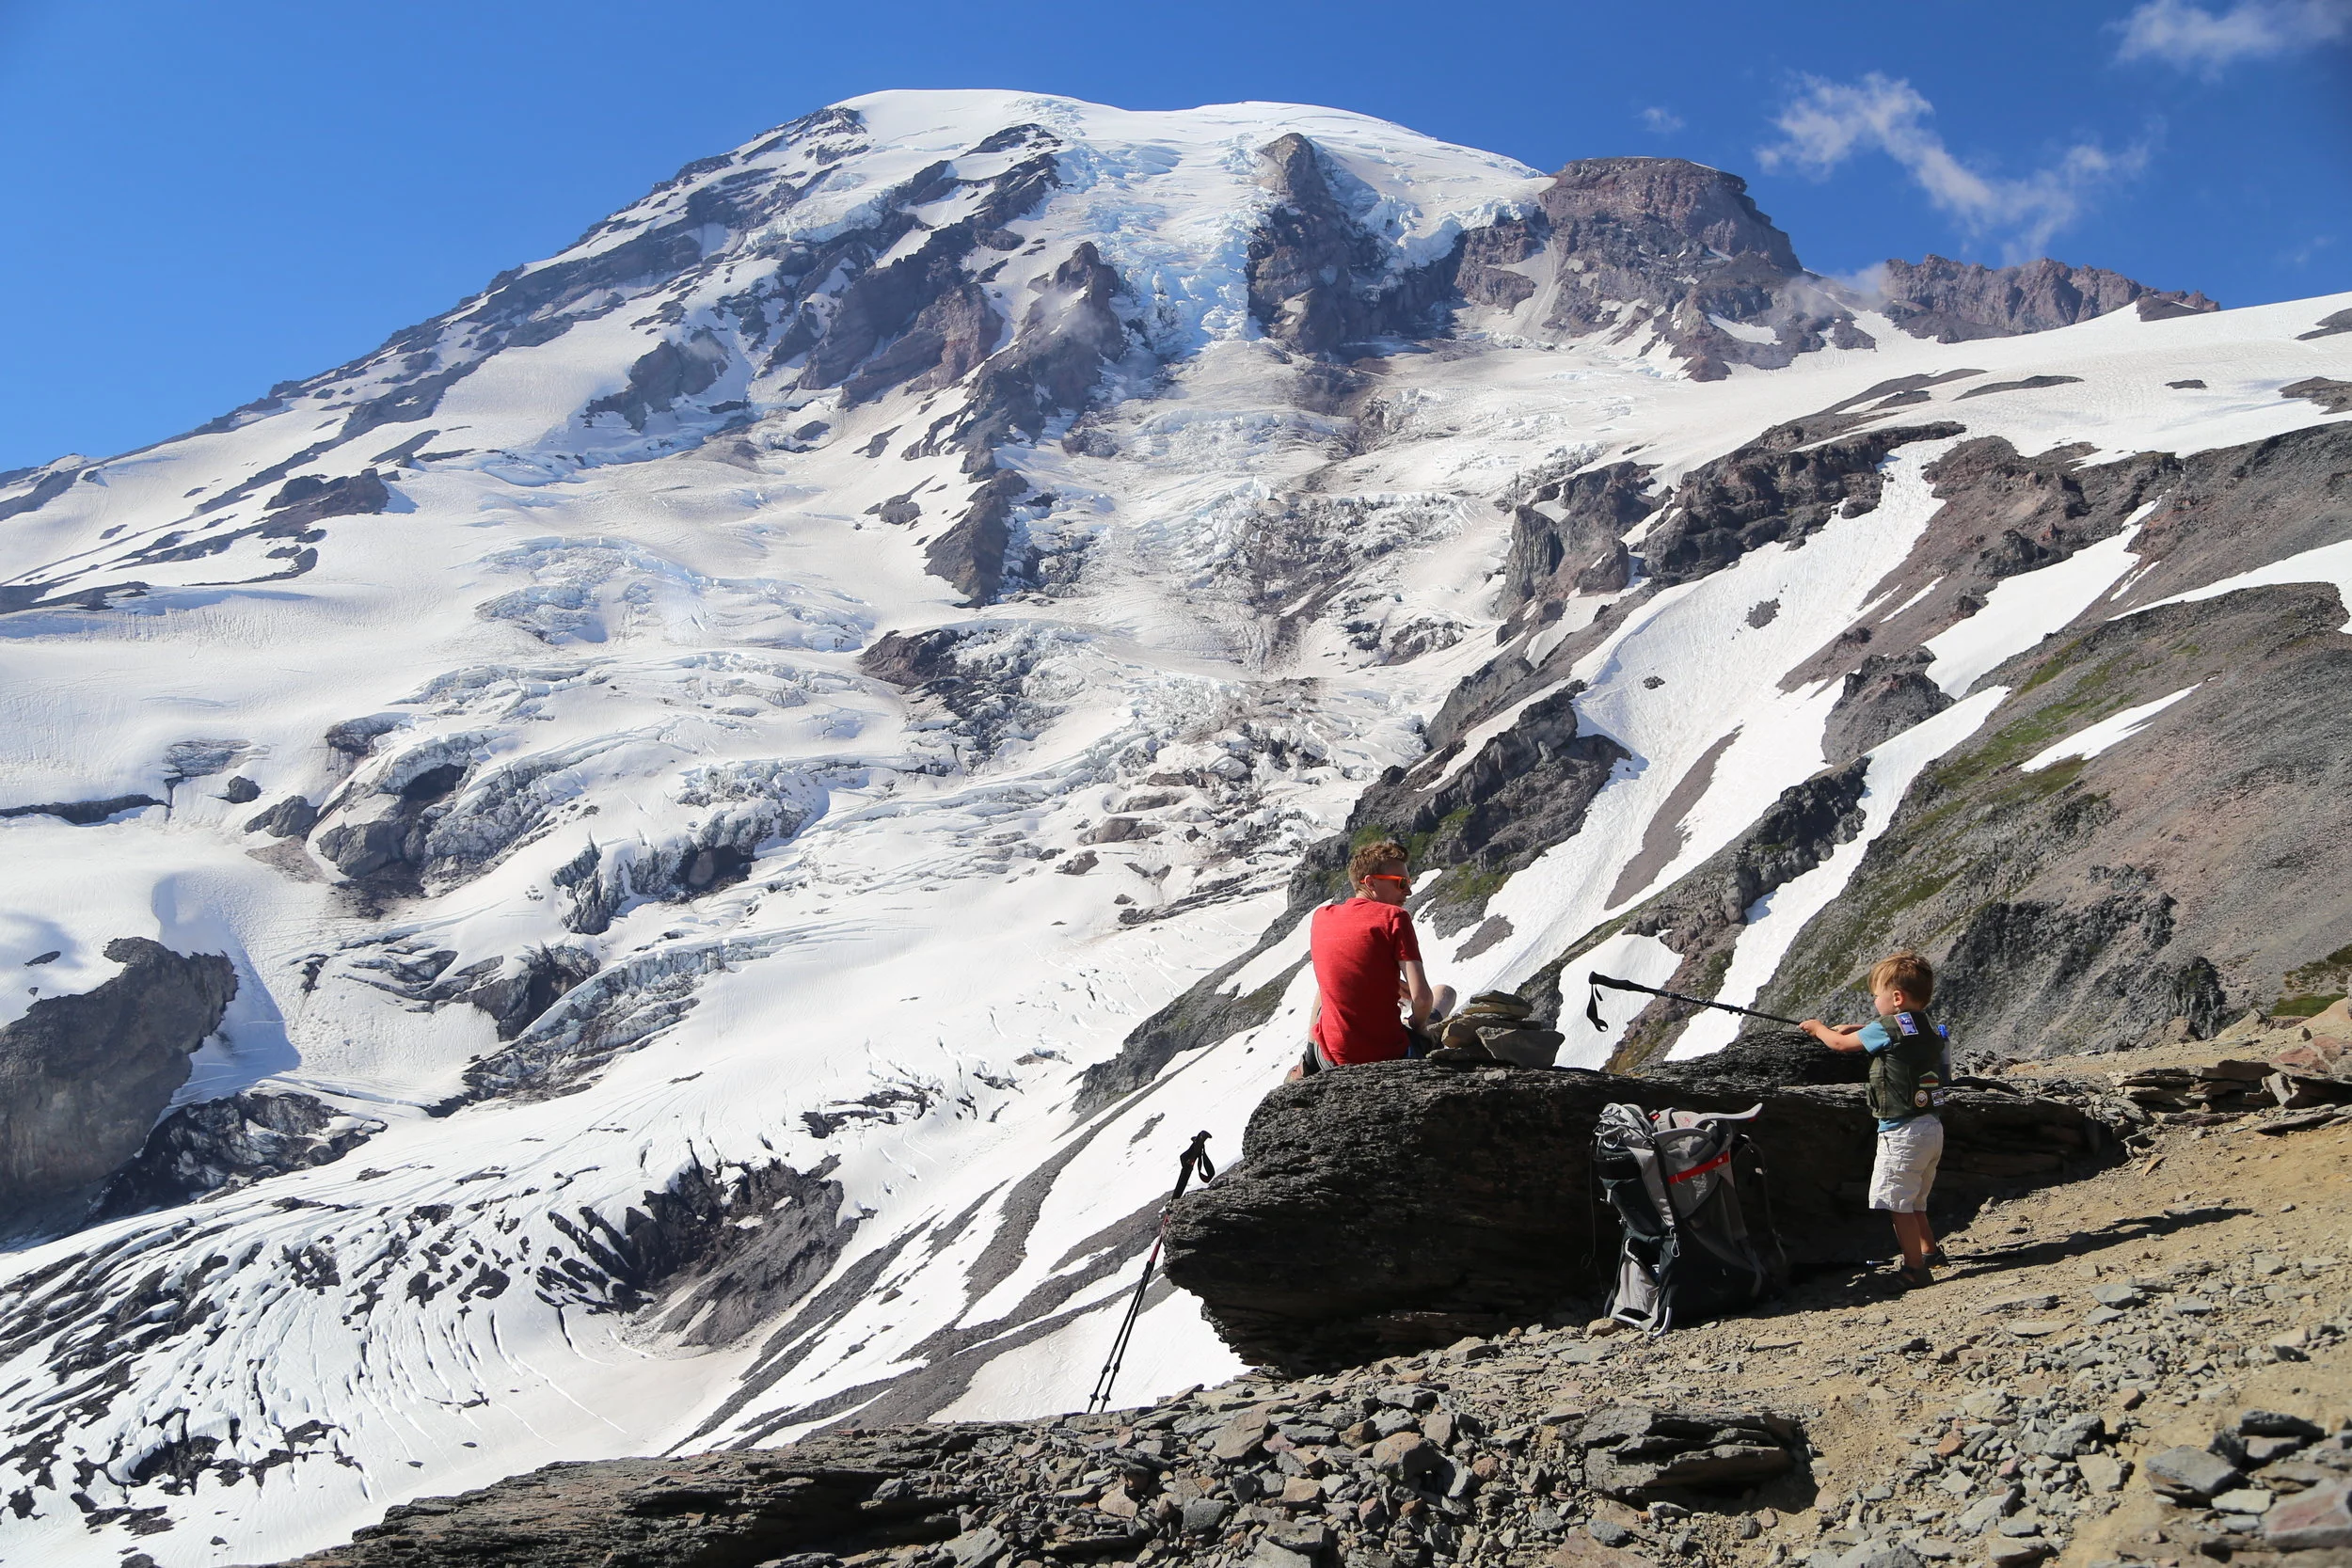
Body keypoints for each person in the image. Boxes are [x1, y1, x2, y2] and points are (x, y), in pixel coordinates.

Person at [1800, 951, 1949, 1287]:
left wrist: (1818, 1028)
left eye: (1877, 995)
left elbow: (1839, 1044)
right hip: (1931, 1127)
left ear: (1896, 999)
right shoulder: (1925, 1024)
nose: (1874, 1000)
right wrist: (1861, 1028)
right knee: (1916, 1199)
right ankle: (1930, 1251)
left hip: (1901, 1131)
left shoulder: (1887, 1026)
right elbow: (1890, 1033)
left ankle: (1914, 1269)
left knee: (1898, 1202)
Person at [1292, 839, 1454, 1078]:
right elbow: (1422, 998)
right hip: (1387, 1058)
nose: (1408, 891)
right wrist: (1419, 1028)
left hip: (1330, 1059)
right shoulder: (1394, 916)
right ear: (1370, 882)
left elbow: (1346, 968)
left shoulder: (1322, 916)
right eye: (1400, 883)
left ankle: (1307, 1062)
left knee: (1323, 989)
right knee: (1446, 993)